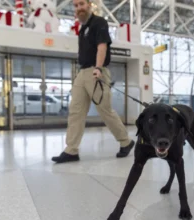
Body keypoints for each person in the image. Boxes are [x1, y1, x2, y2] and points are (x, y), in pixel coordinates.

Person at [52, 0, 135, 163]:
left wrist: (98, 68)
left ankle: (126, 142)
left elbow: (102, 47)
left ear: (89, 5)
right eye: (75, 6)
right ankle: (71, 150)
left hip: (96, 72)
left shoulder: (99, 22)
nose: (79, 8)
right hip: (82, 73)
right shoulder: (82, 29)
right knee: (76, 112)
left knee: (105, 111)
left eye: (81, 4)